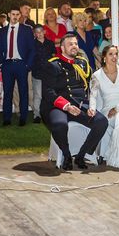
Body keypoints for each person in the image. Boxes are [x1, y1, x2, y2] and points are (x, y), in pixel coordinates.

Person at [41, 34, 108, 170]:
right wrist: (66, 106)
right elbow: (48, 91)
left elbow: (91, 86)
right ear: (62, 48)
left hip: (80, 104)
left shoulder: (82, 63)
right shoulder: (53, 65)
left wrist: (91, 106)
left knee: (101, 122)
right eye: (70, 44)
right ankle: (66, 155)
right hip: (58, 106)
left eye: (76, 44)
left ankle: (81, 155)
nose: (74, 46)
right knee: (60, 124)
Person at [0, 7, 35, 126]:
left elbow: (32, 49)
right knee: (7, 92)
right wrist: (1, 63)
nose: (15, 16)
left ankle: (23, 118)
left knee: (23, 92)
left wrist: (28, 65)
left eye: (17, 14)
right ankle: (7, 119)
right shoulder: (2, 31)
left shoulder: (26, 30)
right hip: (7, 65)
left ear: (20, 16)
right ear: (9, 14)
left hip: (21, 64)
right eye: (13, 14)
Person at [32, 24, 56, 123]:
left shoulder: (50, 43)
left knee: (49, 94)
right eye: (37, 32)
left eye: (41, 31)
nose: (39, 34)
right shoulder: (32, 44)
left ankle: (49, 113)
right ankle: (36, 114)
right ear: (35, 34)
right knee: (38, 94)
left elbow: (54, 56)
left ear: (44, 32)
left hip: (49, 73)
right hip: (37, 72)